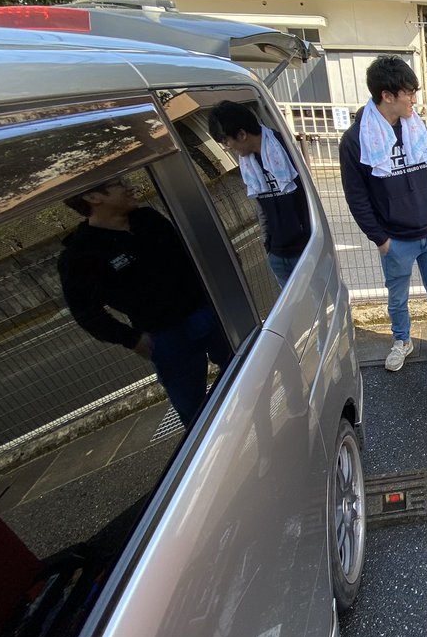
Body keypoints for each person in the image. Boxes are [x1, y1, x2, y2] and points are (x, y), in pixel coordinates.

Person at [58, 178, 233, 427]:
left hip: (208, 313)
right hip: (166, 338)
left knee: (248, 370)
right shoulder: (81, 253)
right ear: (93, 198)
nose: (129, 187)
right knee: (195, 413)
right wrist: (131, 339)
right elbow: (85, 311)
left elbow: (190, 254)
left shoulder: (148, 219)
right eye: (119, 184)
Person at [339, 56, 427, 370]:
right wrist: (380, 238)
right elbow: (357, 197)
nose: (414, 100)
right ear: (387, 96)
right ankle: (402, 341)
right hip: (395, 239)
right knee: (397, 298)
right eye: (409, 93)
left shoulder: (416, 128)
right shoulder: (356, 140)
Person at [208, 101, 310, 288]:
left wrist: (312, 241)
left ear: (242, 134)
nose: (227, 147)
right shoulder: (248, 164)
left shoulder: (283, 148)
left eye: (226, 141)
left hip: (306, 249)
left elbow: (308, 198)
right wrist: (268, 246)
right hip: (277, 254)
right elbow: (261, 207)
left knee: (321, 300)